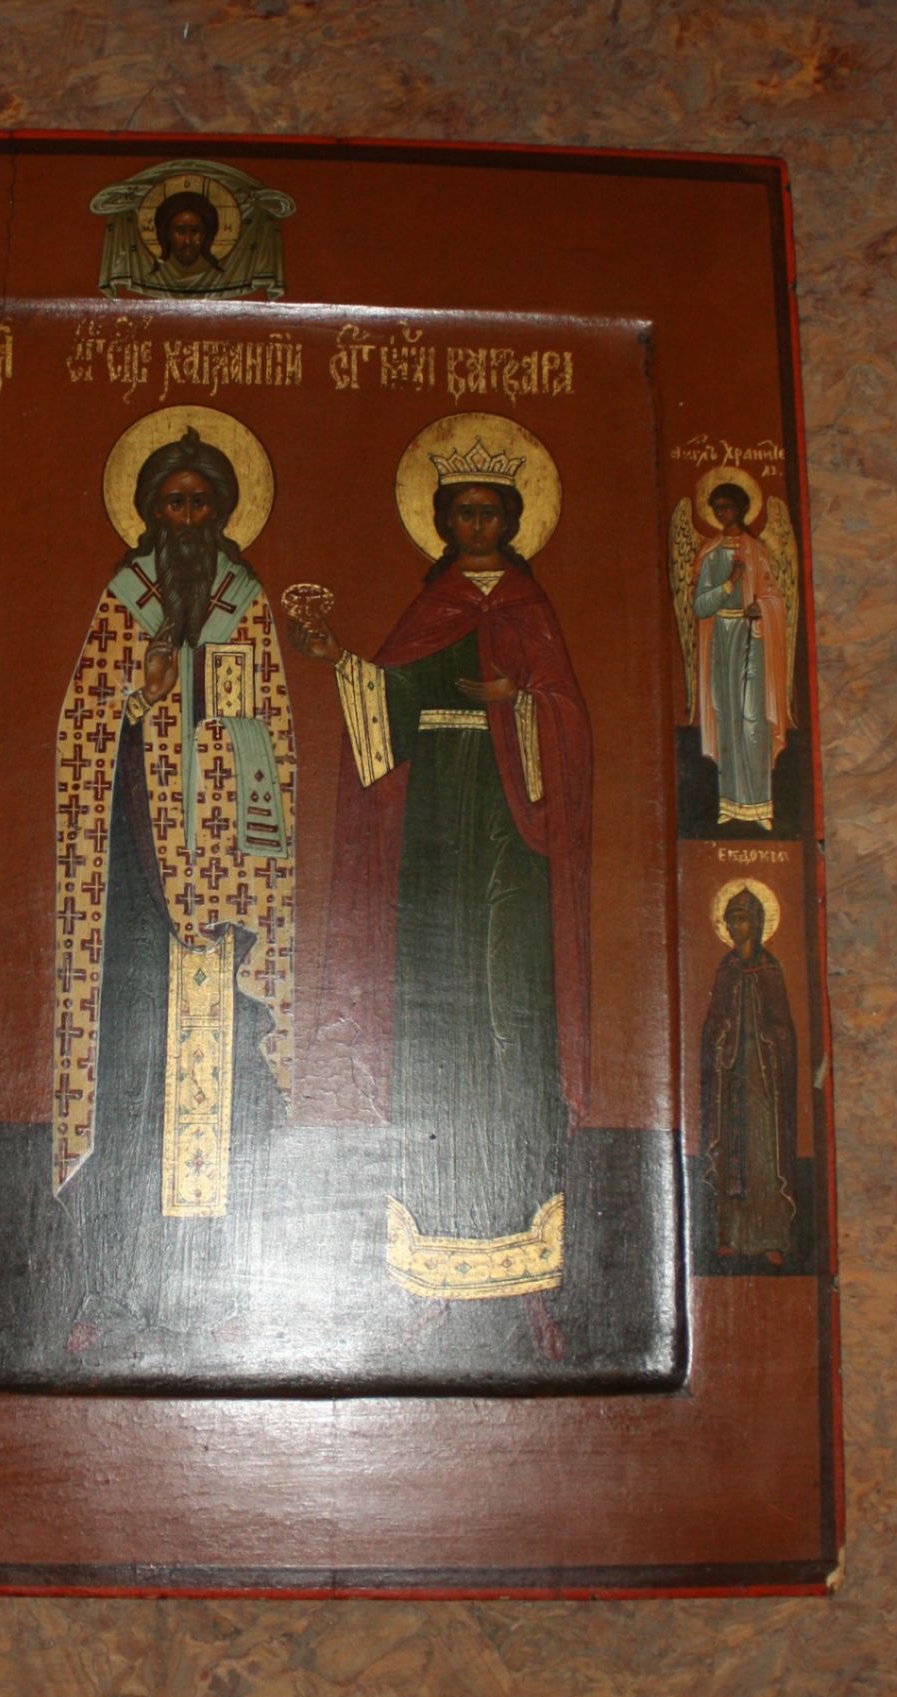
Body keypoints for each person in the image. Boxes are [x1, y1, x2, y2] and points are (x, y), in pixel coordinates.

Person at [290, 467, 591, 1355]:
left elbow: (571, 724)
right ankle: (431, 1274)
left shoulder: (530, 608)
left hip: (510, 837)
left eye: (490, 510)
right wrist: (337, 659)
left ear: (511, 518)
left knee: (512, 1024)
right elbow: (389, 706)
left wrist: (521, 703)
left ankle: (529, 1277)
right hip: (434, 837)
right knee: (437, 1028)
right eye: (463, 510)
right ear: (445, 520)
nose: (477, 522)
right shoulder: (435, 608)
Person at [54, 427, 294, 1344]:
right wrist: (138, 696)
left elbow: (272, 732)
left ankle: (220, 1291)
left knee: (229, 1082)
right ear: (150, 512)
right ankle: (116, 1283)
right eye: (172, 503)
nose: (186, 519)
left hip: (227, 885)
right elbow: (83, 729)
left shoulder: (246, 602)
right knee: (132, 1074)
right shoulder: (125, 599)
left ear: (223, 514)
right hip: (137, 885)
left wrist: (227, 735)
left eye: (200, 503)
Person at [701, 886, 798, 1263]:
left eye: (741, 919)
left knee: (763, 1155)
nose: (734, 926)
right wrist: (720, 1037)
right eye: (730, 920)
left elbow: (783, 1027)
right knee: (731, 1151)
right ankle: (731, 1235)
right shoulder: (726, 969)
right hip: (730, 1074)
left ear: (757, 923)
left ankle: (771, 1238)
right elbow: (713, 1021)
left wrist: (770, 1038)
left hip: (763, 1075)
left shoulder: (770, 970)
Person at [692, 481, 791, 828]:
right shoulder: (711, 553)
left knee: (753, 718)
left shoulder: (757, 551)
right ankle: (730, 804)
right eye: (717, 509)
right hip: (722, 638)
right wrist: (731, 582)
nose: (722, 514)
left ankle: (760, 805)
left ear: (741, 508)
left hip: (753, 638)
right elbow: (701, 605)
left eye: (727, 507)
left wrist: (762, 607)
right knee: (727, 716)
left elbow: (776, 598)